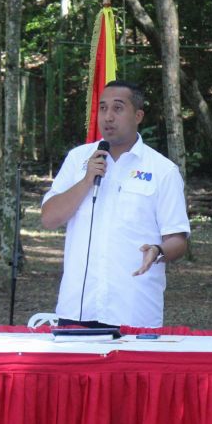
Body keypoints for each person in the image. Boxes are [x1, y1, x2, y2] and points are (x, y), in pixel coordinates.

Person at [40, 82, 190, 327]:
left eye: (118, 108)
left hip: (134, 311)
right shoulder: (79, 159)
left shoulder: (162, 170)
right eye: (103, 108)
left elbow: (178, 239)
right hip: (77, 309)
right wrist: (87, 179)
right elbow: (48, 218)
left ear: (138, 115)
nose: (108, 117)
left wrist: (158, 250)